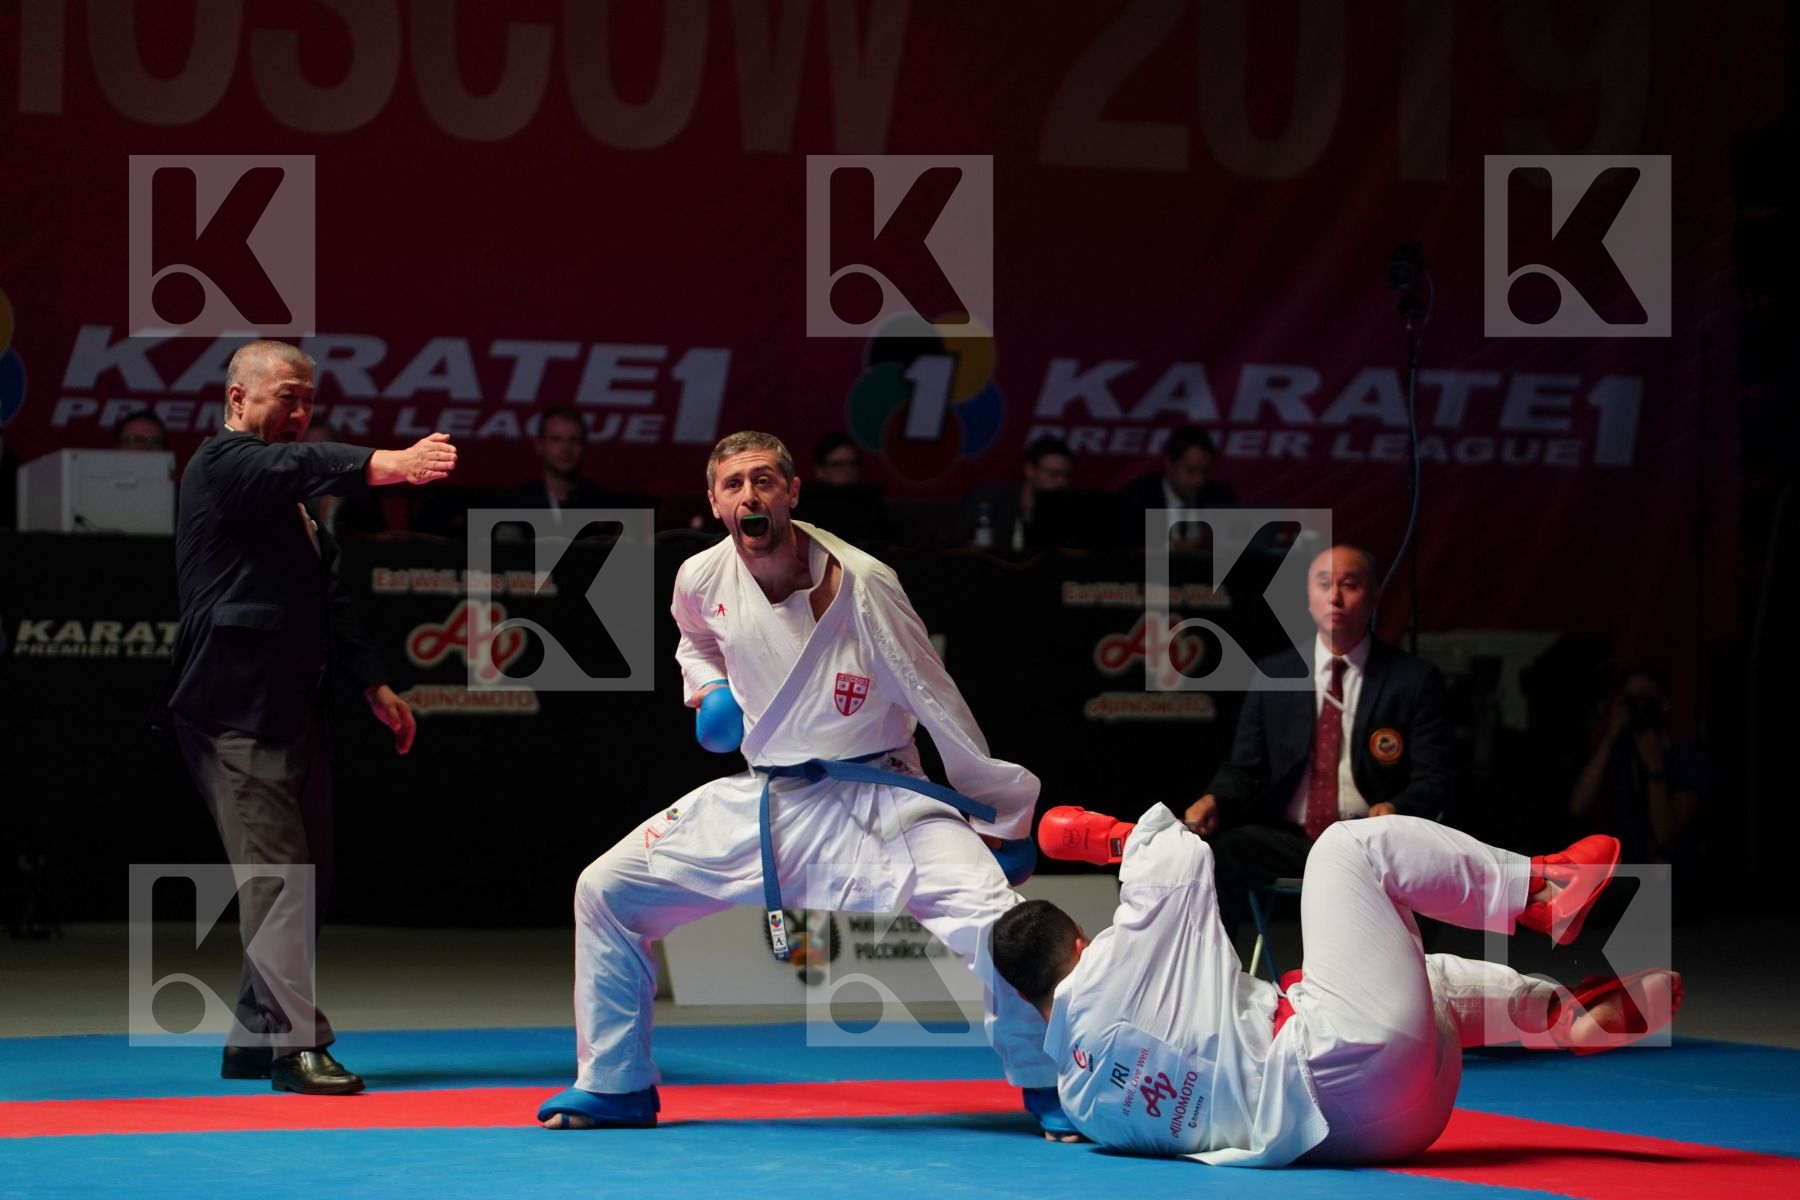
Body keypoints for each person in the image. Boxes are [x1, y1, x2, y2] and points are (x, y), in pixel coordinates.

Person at [536, 431, 1063, 1135]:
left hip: (883, 792)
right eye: (733, 485)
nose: (749, 496)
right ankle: (615, 1083)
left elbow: (935, 698)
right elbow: (695, 639)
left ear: (791, 491)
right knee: (608, 890)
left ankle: (1050, 1083)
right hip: (771, 796)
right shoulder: (700, 575)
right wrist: (709, 688)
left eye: (763, 480)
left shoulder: (864, 584)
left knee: (997, 923)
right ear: (714, 501)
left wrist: (1003, 814)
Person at [998, 804, 1682, 1164]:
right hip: (1343, 1058)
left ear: (1030, 1002)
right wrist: (1107, 839)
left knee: (1427, 982)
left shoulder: (1082, 1104)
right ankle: (1539, 890)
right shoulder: (1118, 954)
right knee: (1346, 847)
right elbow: (1180, 855)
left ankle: (1561, 1014)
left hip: (1380, 1135)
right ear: (1079, 940)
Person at [151, 339, 457, 1095]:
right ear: (238, 398)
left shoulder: (290, 500)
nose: (299, 412)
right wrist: (389, 464)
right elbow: (298, 463)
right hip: (231, 709)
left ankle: (254, 1034)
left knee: (304, 880)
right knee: (279, 878)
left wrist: (374, 685)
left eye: (309, 400)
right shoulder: (222, 464)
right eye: (286, 396)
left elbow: (330, 598)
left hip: (296, 708)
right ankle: (297, 1046)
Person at [1184, 545, 1451, 946]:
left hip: (1370, 839)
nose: (1335, 597)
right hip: (1291, 838)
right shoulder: (1274, 674)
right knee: (1217, 852)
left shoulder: (1412, 680)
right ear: (1308, 597)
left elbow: (1435, 779)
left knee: (1420, 861)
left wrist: (1396, 808)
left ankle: (1417, 971)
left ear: (1374, 596)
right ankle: (1218, 970)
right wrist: (1213, 799)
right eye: (1324, 585)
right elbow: (1245, 769)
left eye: (1349, 585)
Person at [1569, 663, 1708, 914]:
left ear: (1663, 704)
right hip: (1619, 871)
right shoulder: (1618, 756)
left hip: (1667, 880)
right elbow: (1578, 805)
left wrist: (1655, 769)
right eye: (1629, 699)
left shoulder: (1686, 760)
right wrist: (1611, 736)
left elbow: (1665, 835)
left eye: (1645, 698)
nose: (1637, 707)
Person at [1116, 425, 1236, 545]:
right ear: (1169, 463)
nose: (1199, 480)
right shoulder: (1134, 501)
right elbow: (1126, 550)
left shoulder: (1221, 499)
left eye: (1204, 472)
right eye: (1190, 470)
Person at [958, 434, 1074, 552]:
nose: (1062, 481)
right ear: (1029, 470)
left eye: (1066, 475)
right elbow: (957, 542)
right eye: (1054, 474)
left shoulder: (1068, 510)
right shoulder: (989, 499)